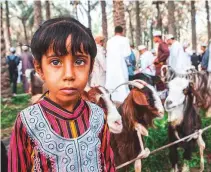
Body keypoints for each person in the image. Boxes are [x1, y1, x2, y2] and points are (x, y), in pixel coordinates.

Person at [8, 17, 115, 172]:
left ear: (91, 67)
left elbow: (108, 164)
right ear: (39, 68)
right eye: (56, 62)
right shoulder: (27, 122)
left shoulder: (98, 116)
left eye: (79, 62)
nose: (69, 75)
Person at [105, 26, 131, 102]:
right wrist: (128, 63)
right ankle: (124, 102)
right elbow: (127, 54)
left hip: (111, 68)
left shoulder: (109, 41)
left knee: (112, 84)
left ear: (115, 32)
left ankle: (112, 100)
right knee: (122, 83)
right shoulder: (125, 40)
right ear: (122, 32)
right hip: (121, 66)